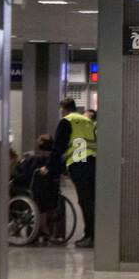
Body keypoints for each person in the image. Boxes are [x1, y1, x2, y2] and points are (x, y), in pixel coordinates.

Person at [42, 98, 97, 248]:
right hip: (92, 162)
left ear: (64, 109)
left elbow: (58, 147)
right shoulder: (87, 121)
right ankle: (94, 234)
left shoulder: (67, 121)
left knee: (85, 201)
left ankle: (90, 236)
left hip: (79, 163)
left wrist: (49, 167)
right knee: (92, 200)